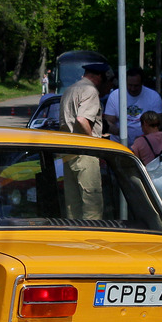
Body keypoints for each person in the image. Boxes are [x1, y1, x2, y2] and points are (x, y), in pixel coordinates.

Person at [59, 62, 110, 219]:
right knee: (91, 205)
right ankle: (91, 240)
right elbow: (82, 119)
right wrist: (94, 141)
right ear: (99, 77)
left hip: (68, 152)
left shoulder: (70, 90)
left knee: (72, 206)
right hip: (84, 152)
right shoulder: (90, 90)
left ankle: (74, 239)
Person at [104, 67, 162, 145]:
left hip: (146, 144)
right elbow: (108, 122)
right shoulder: (115, 95)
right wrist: (120, 132)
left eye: (136, 86)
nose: (132, 88)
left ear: (142, 83)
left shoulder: (153, 97)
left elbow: (159, 124)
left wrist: (144, 138)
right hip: (120, 144)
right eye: (130, 85)